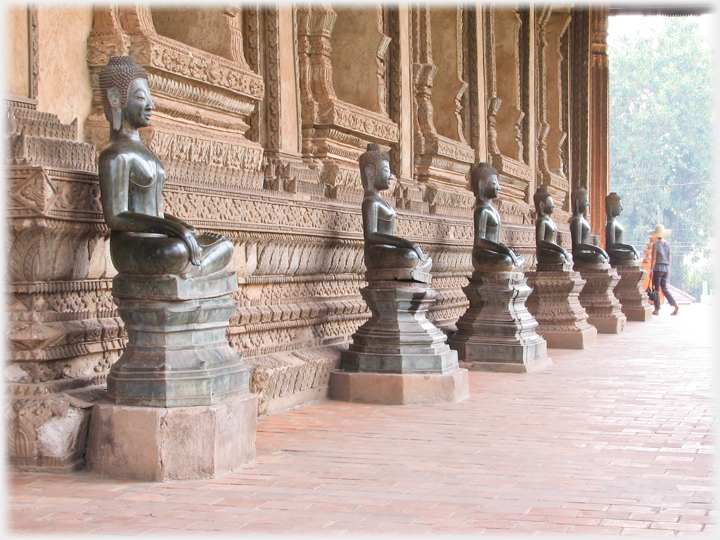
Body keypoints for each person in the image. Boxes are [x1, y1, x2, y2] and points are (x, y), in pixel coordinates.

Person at [98, 56, 233, 278]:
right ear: (115, 98)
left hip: (158, 238)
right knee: (176, 250)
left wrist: (179, 224)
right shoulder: (115, 154)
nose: (151, 105)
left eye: (149, 97)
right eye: (141, 97)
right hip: (133, 246)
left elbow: (153, 210)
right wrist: (171, 229)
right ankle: (195, 268)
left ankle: (192, 269)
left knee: (224, 244)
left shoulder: (145, 151)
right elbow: (116, 216)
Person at [359, 143, 432, 274]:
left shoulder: (380, 201)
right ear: (370, 172)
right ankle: (418, 265)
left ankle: (418, 266)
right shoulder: (370, 202)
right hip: (375, 255)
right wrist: (406, 243)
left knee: (415, 255)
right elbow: (370, 234)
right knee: (410, 256)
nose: (391, 177)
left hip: (388, 250)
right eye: (386, 171)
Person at [470, 163, 524, 272]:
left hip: (494, 253)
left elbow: (494, 240)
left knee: (519, 259)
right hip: (482, 255)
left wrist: (506, 249)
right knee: (507, 260)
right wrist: (505, 250)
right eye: (494, 183)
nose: (499, 187)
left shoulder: (492, 211)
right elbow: (480, 241)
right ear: (482, 184)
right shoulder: (481, 211)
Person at [569, 188, 609, 265]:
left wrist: (595, 250)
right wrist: (597, 249)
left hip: (586, 252)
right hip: (579, 254)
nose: (588, 204)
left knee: (601, 257)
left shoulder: (581, 219)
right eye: (585, 201)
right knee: (599, 257)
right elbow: (578, 245)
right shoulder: (576, 220)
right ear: (577, 202)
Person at [533, 186, 572, 266]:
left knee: (566, 256)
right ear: (542, 205)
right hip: (544, 253)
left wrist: (561, 250)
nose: (554, 205)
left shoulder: (550, 221)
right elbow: (540, 242)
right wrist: (561, 250)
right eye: (551, 203)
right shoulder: (541, 221)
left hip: (553, 251)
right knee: (561, 257)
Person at [648, 224, 679, 316]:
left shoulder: (655, 245)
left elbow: (653, 259)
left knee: (656, 289)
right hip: (666, 268)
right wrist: (668, 269)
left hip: (657, 268)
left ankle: (657, 309)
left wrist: (651, 270)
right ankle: (675, 305)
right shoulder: (668, 244)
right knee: (665, 289)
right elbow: (669, 258)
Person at [605, 192, 639, 263]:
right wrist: (629, 247)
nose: (622, 208)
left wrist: (626, 248)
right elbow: (611, 245)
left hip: (619, 250)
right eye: (619, 206)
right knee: (631, 254)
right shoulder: (610, 224)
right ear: (611, 207)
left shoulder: (615, 223)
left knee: (633, 254)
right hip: (613, 252)